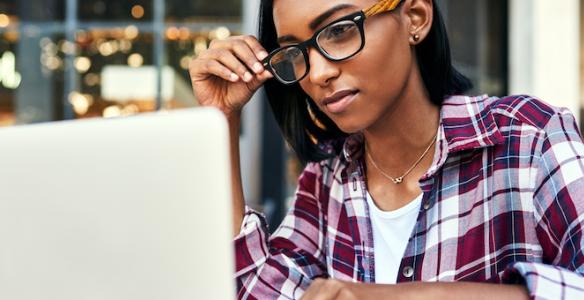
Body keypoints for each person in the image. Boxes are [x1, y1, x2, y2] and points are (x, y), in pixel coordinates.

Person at [190, 0, 584, 298]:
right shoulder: (328, 182)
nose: (319, 73)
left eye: (339, 30)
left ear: (415, 17)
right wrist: (222, 118)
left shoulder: (527, 138)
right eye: (295, 52)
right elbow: (257, 288)